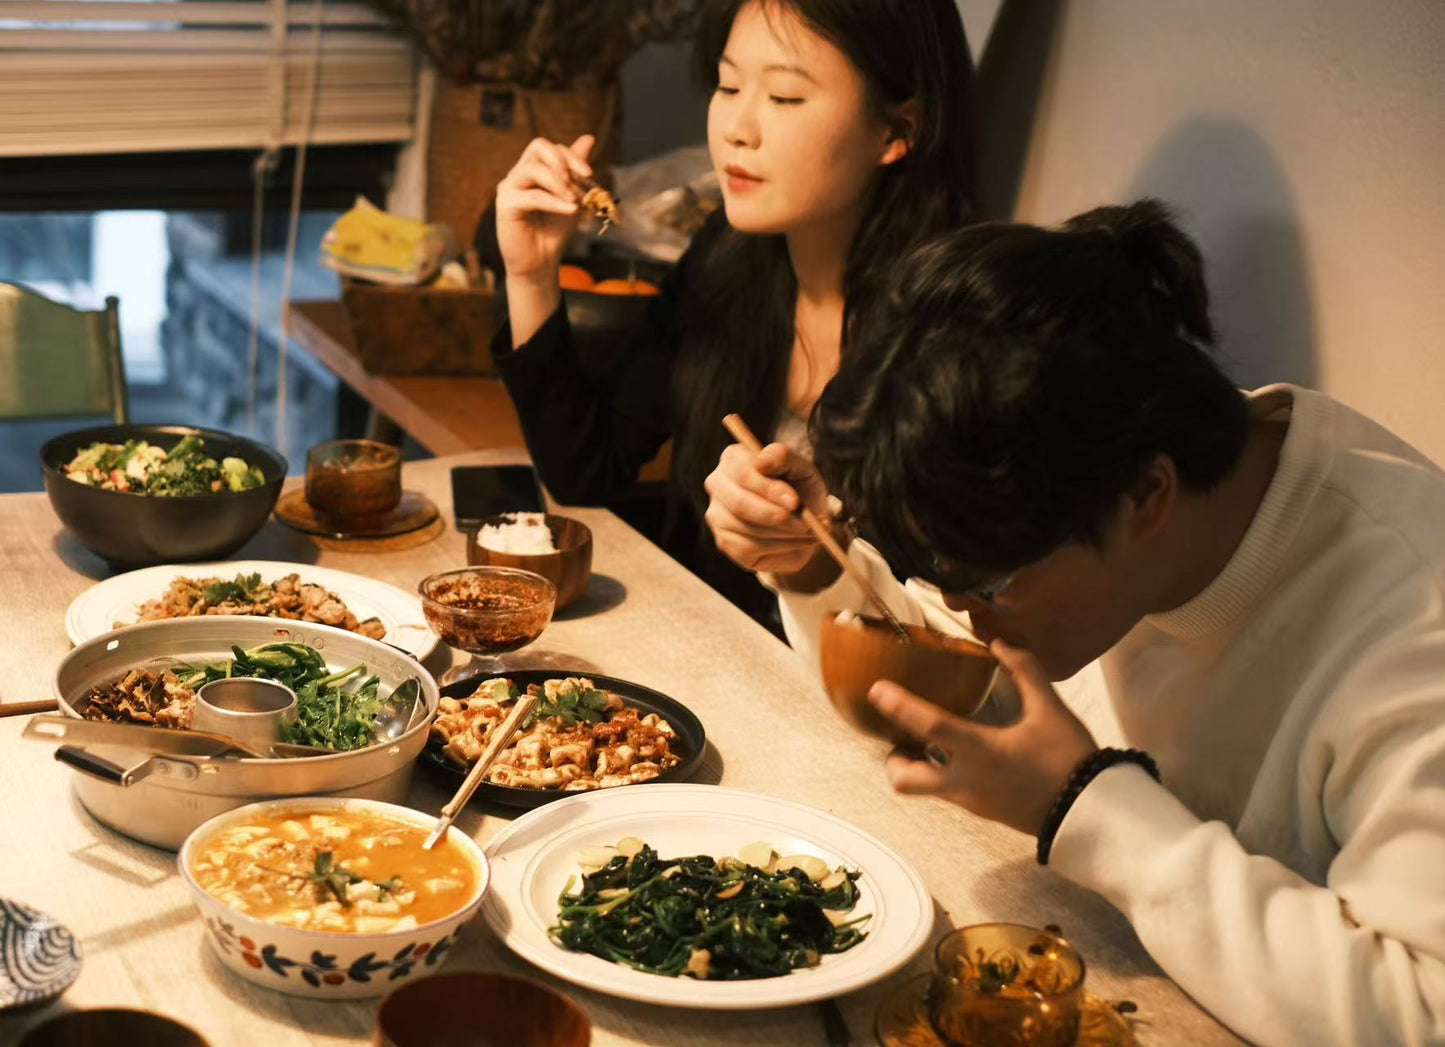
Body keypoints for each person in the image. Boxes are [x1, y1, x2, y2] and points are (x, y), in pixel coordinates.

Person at [708, 200, 1445, 1045]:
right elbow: (991, 700)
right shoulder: (1095, 458)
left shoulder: (1411, 626)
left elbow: (1420, 1013)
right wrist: (810, 558)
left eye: (984, 584)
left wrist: (1085, 805)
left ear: (1145, 496)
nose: (967, 618)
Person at [488, 0, 975, 621]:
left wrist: (814, 544)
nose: (737, 128)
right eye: (728, 85)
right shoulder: (729, 258)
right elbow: (589, 471)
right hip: (717, 656)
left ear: (897, 130)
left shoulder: (963, 325)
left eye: (786, 98)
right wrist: (531, 274)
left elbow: (952, 617)